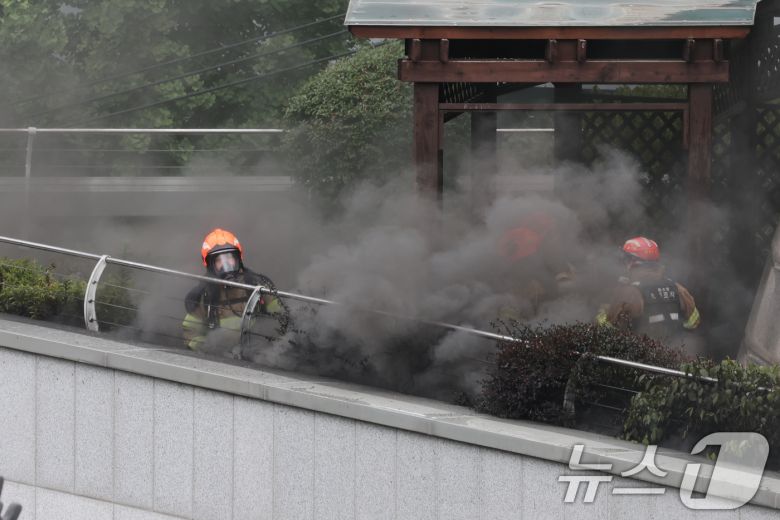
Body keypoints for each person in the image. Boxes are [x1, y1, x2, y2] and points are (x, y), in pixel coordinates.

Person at [182, 228, 284, 351]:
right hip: (220, 355)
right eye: (219, 260)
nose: (226, 264)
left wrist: (270, 344)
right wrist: (206, 346)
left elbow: (281, 317)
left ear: (238, 259)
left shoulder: (256, 285)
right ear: (210, 265)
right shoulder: (206, 295)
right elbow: (191, 331)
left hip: (257, 352)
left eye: (229, 258)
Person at [596, 236, 701, 352]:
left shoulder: (629, 293)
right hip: (675, 355)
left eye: (625, 259)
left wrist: (603, 312)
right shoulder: (678, 289)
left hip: (641, 359)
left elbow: (608, 331)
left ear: (632, 263)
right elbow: (693, 322)